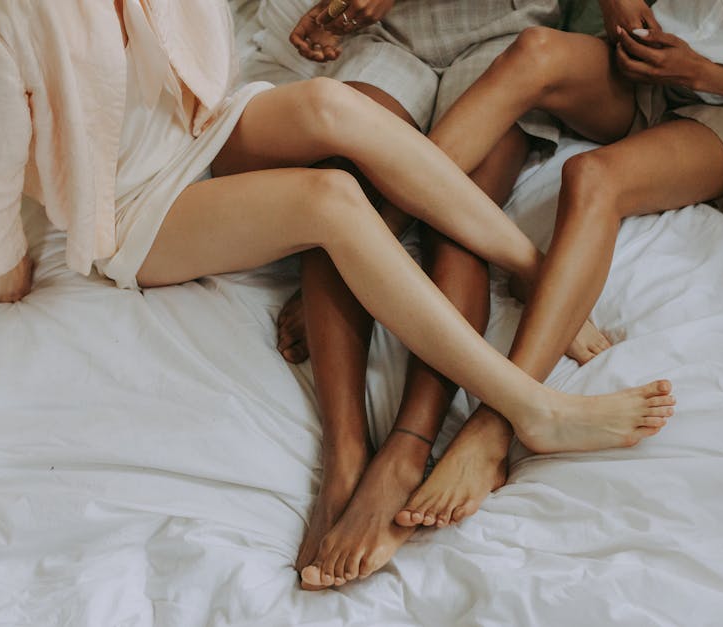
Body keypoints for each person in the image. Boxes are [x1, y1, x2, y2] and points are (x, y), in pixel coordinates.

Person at [0, 0, 676, 588]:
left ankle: (529, 263)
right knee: (330, 198)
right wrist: (4, 260)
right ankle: (531, 406)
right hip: (130, 204)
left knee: (331, 104)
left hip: (200, 124)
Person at [366, 0, 723, 542]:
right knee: (535, 50)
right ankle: (372, 233)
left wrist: (704, 73)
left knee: (591, 177)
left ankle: (496, 424)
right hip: (636, 71)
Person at [261, 0, 614, 592]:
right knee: (341, 179)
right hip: (390, 38)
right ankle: (347, 451)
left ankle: (408, 446)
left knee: (457, 223)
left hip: (504, 32)